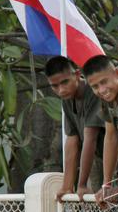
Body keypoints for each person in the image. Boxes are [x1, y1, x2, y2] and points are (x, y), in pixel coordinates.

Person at [44, 55, 107, 199]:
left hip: (117, 160)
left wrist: (82, 184)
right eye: (54, 86)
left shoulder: (93, 92)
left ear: (77, 74)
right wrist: (67, 187)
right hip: (97, 160)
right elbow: (72, 142)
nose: (61, 90)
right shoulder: (67, 99)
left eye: (65, 82)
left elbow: (90, 138)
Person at [81, 54, 118, 208]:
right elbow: (111, 138)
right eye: (95, 87)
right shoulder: (106, 100)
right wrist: (106, 185)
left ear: (117, 73)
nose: (102, 90)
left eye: (104, 82)